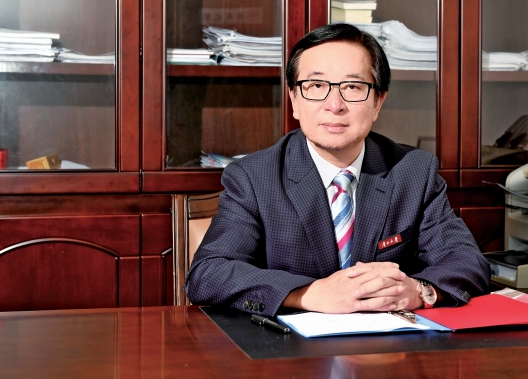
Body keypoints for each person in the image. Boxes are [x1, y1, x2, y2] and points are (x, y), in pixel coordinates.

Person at [186, 23, 490, 316]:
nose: (335, 104)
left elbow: (467, 261)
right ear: (294, 99)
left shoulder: (413, 171)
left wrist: (420, 290)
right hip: (287, 346)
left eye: (353, 87)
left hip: (388, 345)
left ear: (378, 102)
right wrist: (309, 294)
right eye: (316, 86)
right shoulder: (255, 177)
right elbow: (208, 273)